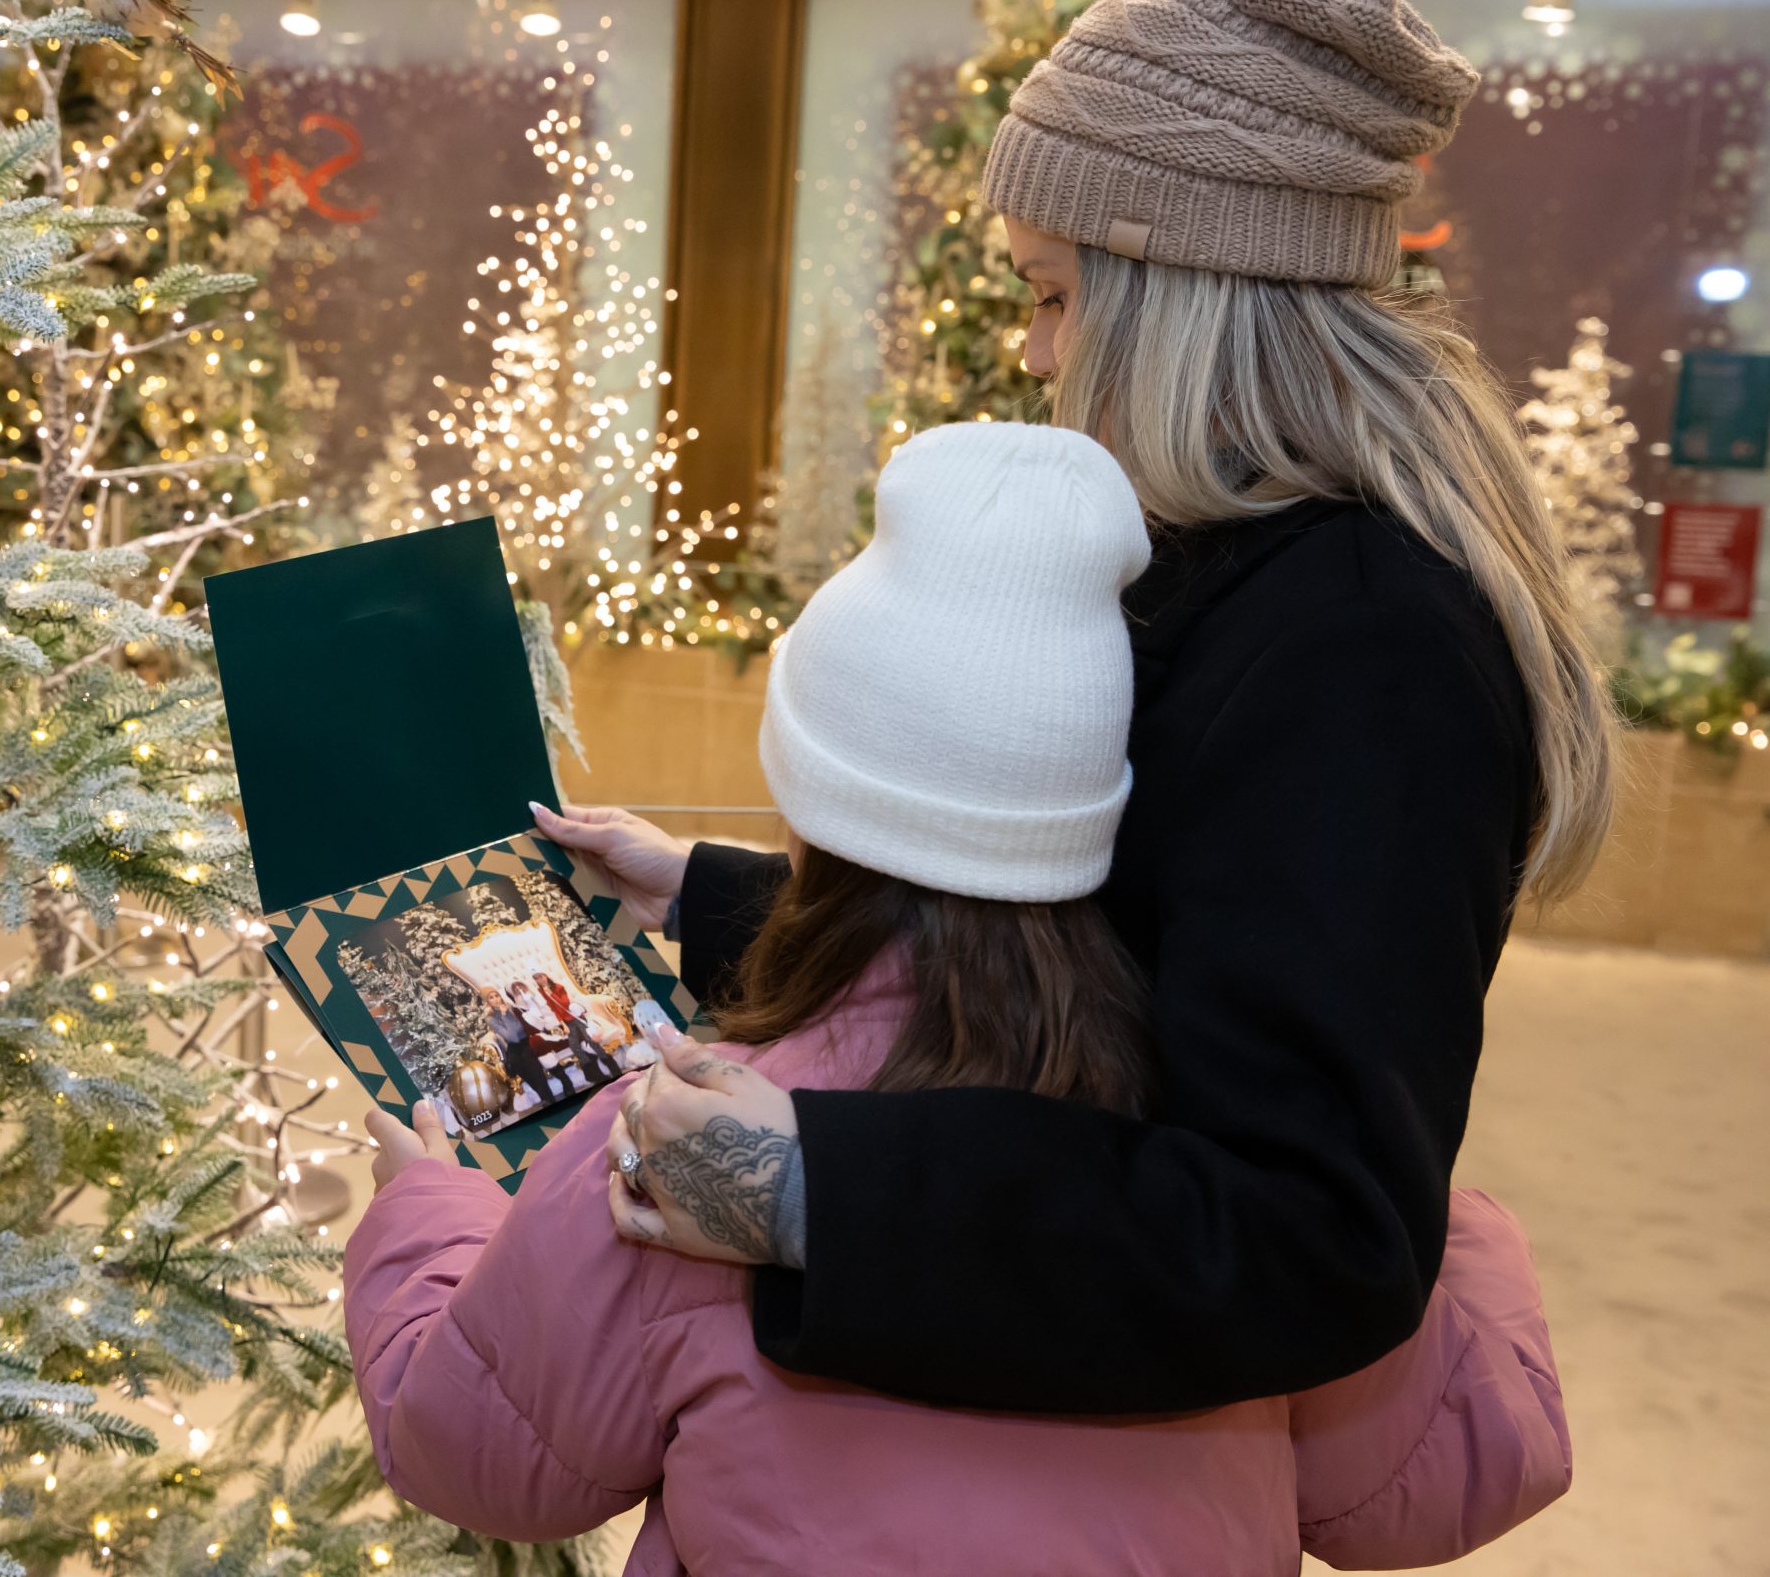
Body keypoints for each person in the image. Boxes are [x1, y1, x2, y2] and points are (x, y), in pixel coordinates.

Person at [537, 0, 1617, 1414]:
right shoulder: (1255, 570)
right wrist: (711, 896)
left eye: (1052, 296)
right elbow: (1122, 948)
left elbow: (1307, 1232)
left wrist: (810, 1190)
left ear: (1181, 294)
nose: (1039, 356)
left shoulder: (1370, 654)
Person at [349, 425, 1569, 1574]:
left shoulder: (684, 1147)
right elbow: (1451, 1467)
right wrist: (1429, 1200)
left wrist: (429, 1217)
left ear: (808, 803)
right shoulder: (1212, 1162)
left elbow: (481, 1453)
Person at [536, 968, 623, 1083]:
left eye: (541, 976)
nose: (540, 980)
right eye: (536, 978)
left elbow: (564, 1003)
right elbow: (553, 1010)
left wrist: (551, 993)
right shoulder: (540, 993)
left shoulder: (558, 987)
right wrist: (563, 1025)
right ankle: (594, 1075)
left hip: (575, 1017)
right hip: (566, 1022)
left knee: (592, 1042)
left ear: (545, 975)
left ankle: (615, 1071)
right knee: (575, 1046)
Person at [483, 985, 560, 1107]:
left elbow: (519, 1031)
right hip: (514, 1045)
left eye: (496, 995)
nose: (496, 999)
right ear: (488, 1002)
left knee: (530, 1063)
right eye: (491, 998)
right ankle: (544, 1096)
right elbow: (511, 1037)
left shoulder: (512, 1008)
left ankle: (548, 1099)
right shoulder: (490, 1018)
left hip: (525, 1040)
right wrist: (503, 1015)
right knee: (515, 1063)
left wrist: (506, 1013)